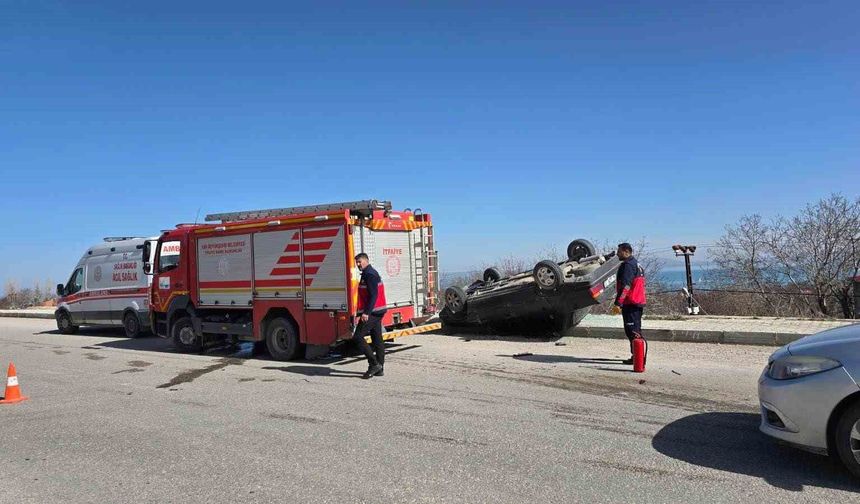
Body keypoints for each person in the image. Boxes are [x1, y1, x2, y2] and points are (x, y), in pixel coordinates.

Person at [352, 253, 388, 379]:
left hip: (373, 312)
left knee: (357, 337)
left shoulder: (370, 274)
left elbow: (373, 295)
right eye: (356, 262)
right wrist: (360, 313)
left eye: (360, 261)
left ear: (366, 261)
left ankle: (373, 364)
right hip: (377, 311)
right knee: (377, 338)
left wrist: (366, 313)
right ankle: (380, 367)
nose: (358, 264)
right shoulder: (368, 273)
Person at [612, 243, 647, 364]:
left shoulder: (628, 265)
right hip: (637, 302)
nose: (617, 254)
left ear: (626, 251)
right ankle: (637, 357)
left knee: (633, 331)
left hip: (631, 303)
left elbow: (626, 286)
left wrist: (618, 303)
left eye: (619, 251)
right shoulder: (636, 264)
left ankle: (638, 359)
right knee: (635, 330)